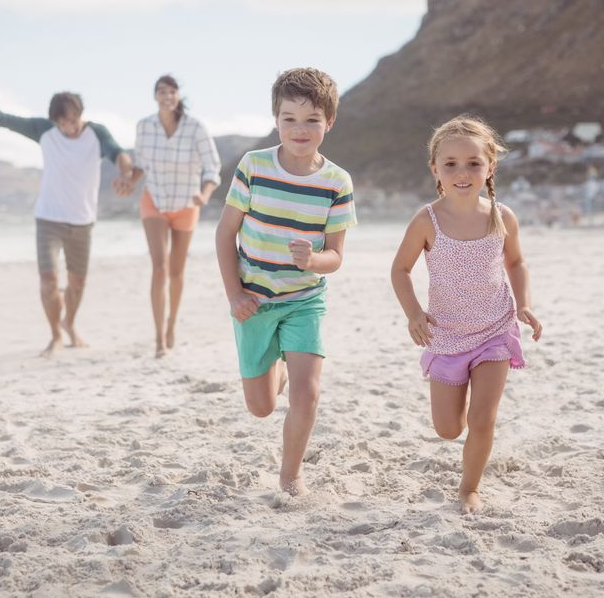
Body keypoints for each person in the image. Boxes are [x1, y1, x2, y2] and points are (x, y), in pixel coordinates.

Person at [215, 67, 356, 495]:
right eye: (289, 118)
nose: (300, 129)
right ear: (275, 119)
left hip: (303, 299)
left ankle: (290, 475)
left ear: (328, 123)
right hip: (253, 301)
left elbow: (335, 257)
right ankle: (274, 369)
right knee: (261, 408)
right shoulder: (253, 166)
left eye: (312, 119)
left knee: (307, 393)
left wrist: (314, 260)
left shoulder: (337, 182)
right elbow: (225, 234)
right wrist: (235, 294)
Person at [390, 115, 542, 514]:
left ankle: (469, 489)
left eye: (474, 163)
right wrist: (414, 314)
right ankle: (457, 439)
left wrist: (524, 304)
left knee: (482, 418)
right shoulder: (427, 220)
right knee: (447, 428)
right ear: (435, 170)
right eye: (451, 163)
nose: (462, 172)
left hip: (495, 329)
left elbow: (517, 262)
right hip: (446, 335)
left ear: (490, 167)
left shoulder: (502, 216)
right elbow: (400, 270)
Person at [0, 75, 135, 357]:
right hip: (49, 219)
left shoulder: (97, 133)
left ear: (79, 115)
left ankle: (70, 323)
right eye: (59, 123)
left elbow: (119, 154)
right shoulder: (44, 130)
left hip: (82, 221)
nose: (64, 128)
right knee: (49, 280)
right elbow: (0, 118)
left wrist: (127, 172)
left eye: (69, 121)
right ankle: (55, 335)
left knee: (77, 283)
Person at [118, 75, 222, 357]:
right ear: (155, 96)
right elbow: (140, 167)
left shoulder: (195, 127)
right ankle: (159, 339)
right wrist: (130, 180)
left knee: (176, 271)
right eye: (161, 91)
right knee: (159, 267)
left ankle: (172, 323)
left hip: (187, 203)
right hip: (154, 199)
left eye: (172, 90)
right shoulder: (144, 127)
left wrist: (206, 193)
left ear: (178, 96)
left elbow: (212, 168)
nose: (167, 95)